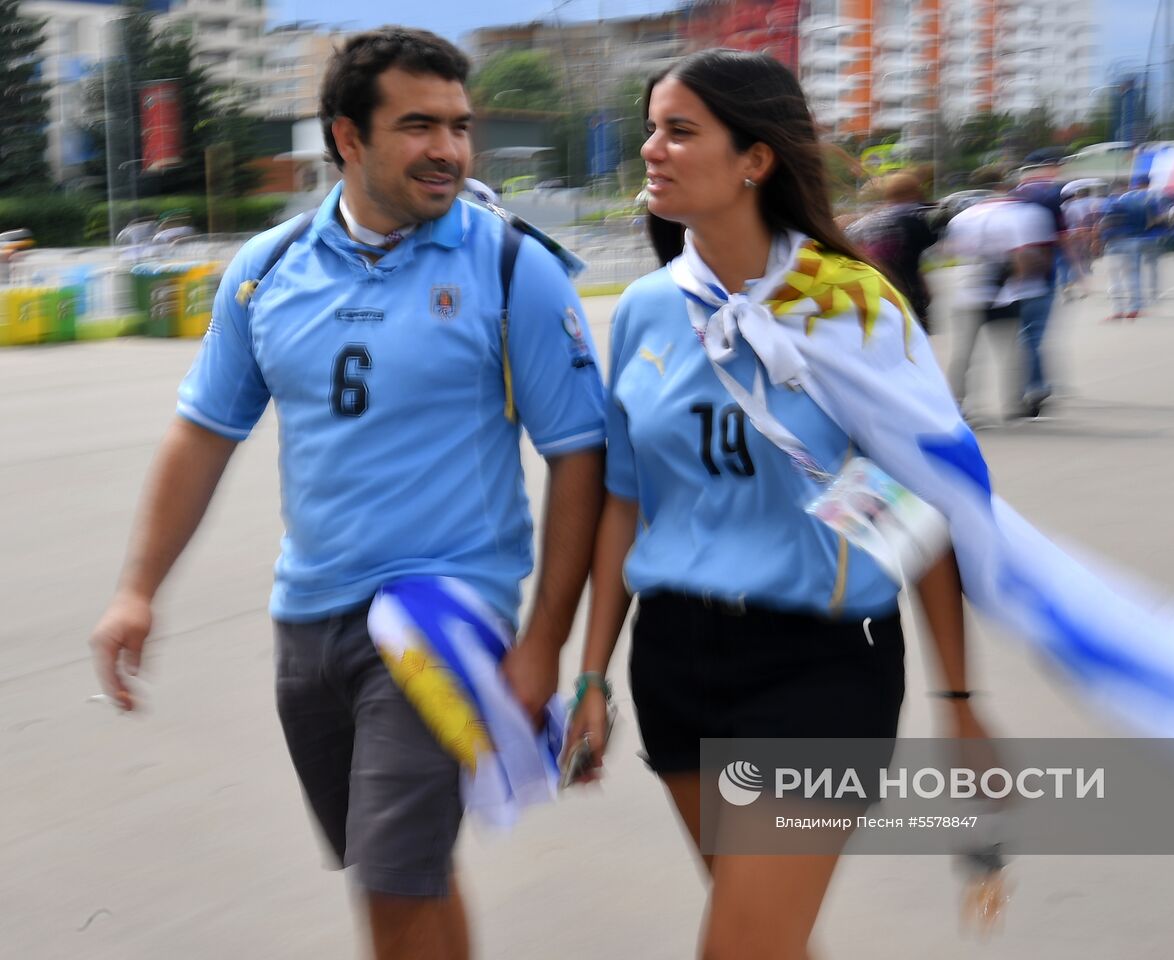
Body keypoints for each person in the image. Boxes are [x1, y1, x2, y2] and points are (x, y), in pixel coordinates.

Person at [88, 27, 606, 960]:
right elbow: (204, 432)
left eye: (459, 126)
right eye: (419, 126)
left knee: (392, 883)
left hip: (435, 620)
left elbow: (579, 458)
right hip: (308, 623)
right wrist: (137, 588)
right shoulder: (264, 271)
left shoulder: (509, 267)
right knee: (409, 874)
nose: (449, 149)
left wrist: (542, 643)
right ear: (348, 138)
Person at [560, 49, 998, 959]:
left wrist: (958, 700)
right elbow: (625, 503)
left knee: (743, 947)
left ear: (755, 159)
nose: (653, 149)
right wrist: (594, 674)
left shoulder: (853, 307)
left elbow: (923, 506)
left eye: (680, 131)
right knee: (769, 939)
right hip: (676, 661)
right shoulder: (645, 310)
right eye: (652, 128)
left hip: (818, 669)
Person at [943, 188, 1057, 420]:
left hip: (968, 290)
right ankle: (1015, 404)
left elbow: (948, 252)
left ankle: (958, 403)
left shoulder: (962, 217)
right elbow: (1021, 254)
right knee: (1011, 350)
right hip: (1005, 292)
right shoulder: (1021, 214)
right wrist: (1026, 277)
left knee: (965, 352)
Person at [846, 172, 941, 331]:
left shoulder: (869, 220)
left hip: (871, 291)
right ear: (913, 192)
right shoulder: (913, 217)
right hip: (905, 292)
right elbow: (916, 261)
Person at [1095, 175, 1160, 321]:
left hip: (1113, 242)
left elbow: (1103, 222)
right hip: (1133, 239)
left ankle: (1117, 309)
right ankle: (1134, 308)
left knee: (1114, 278)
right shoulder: (1143, 200)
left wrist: (1098, 240)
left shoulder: (1111, 202)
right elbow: (1152, 220)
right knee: (1132, 276)